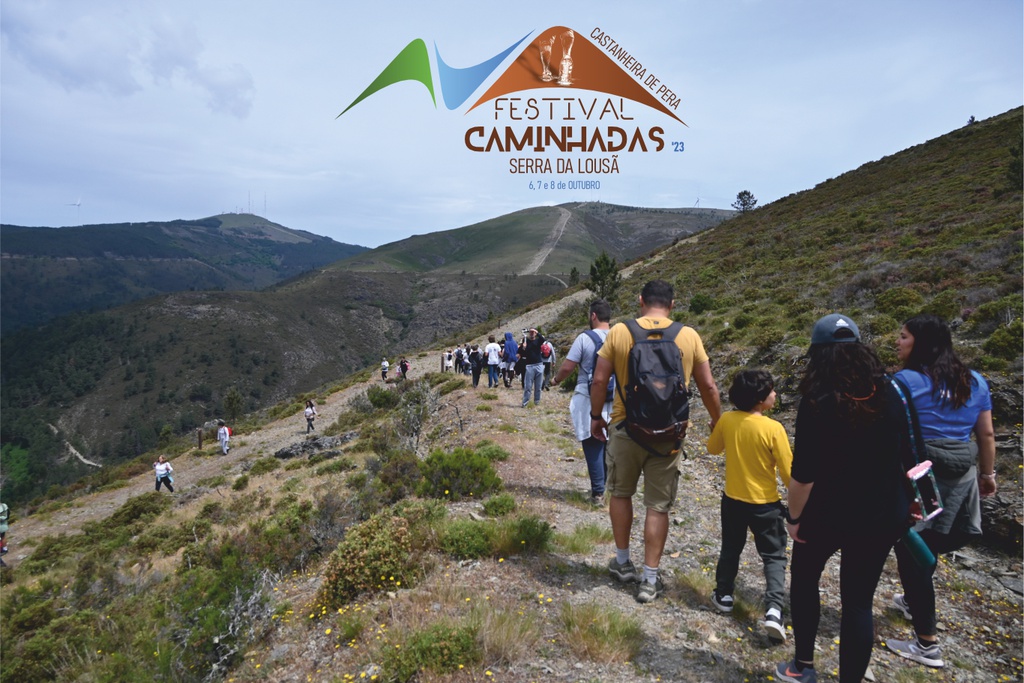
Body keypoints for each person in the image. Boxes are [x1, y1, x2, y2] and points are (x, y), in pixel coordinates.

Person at [775, 314, 916, 683]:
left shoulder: (818, 400)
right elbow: (910, 452)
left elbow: (803, 474)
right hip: (882, 513)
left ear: (817, 354)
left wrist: (794, 518)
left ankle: (802, 665)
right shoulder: (892, 391)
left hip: (826, 513)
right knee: (857, 602)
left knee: (805, 579)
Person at [590, 279, 722, 603]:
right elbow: (708, 387)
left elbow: (598, 378)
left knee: (621, 493)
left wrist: (596, 417)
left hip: (625, 428)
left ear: (640, 301)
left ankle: (622, 563)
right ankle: (649, 580)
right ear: (672, 304)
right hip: (669, 435)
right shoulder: (688, 335)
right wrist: (718, 422)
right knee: (658, 506)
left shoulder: (620, 332)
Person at [886, 314, 997, 669]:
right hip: (961, 473)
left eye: (903, 337)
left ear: (920, 342)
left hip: (918, 474)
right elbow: (986, 435)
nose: (898, 342)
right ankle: (913, 601)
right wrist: (988, 473)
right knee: (935, 541)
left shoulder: (903, 382)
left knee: (912, 552)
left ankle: (927, 644)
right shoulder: (975, 381)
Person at [707, 369, 792, 642]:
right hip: (766, 504)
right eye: (771, 391)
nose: (775, 394)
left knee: (731, 547)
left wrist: (716, 429)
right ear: (759, 399)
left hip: (732, 500)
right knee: (774, 556)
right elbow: (789, 475)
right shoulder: (773, 428)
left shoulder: (728, 420)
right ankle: (774, 611)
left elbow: (712, 449)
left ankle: (724, 595)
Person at [552, 299, 613, 505]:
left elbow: (568, 367)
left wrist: (556, 380)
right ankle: (608, 487)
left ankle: (598, 492)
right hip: (615, 398)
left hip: (587, 396)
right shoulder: (619, 337)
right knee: (609, 442)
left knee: (592, 441)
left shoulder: (584, 338)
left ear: (593, 315)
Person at [521, 327, 547, 407]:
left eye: (533, 332)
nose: (532, 333)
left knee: (538, 386)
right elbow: (522, 352)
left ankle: (537, 402)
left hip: (539, 365)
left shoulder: (538, 341)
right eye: (530, 332)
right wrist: (523, 347)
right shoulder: (525, 340)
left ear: (535, 333)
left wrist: (537, 332)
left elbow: (543, 339)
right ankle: (525, 403)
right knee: (528, 386)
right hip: (529, 366)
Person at [0, 501, 9, 567]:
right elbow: (8, 515)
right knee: (3, 537)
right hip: (4, 525)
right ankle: (4, 549)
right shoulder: (4, 505)